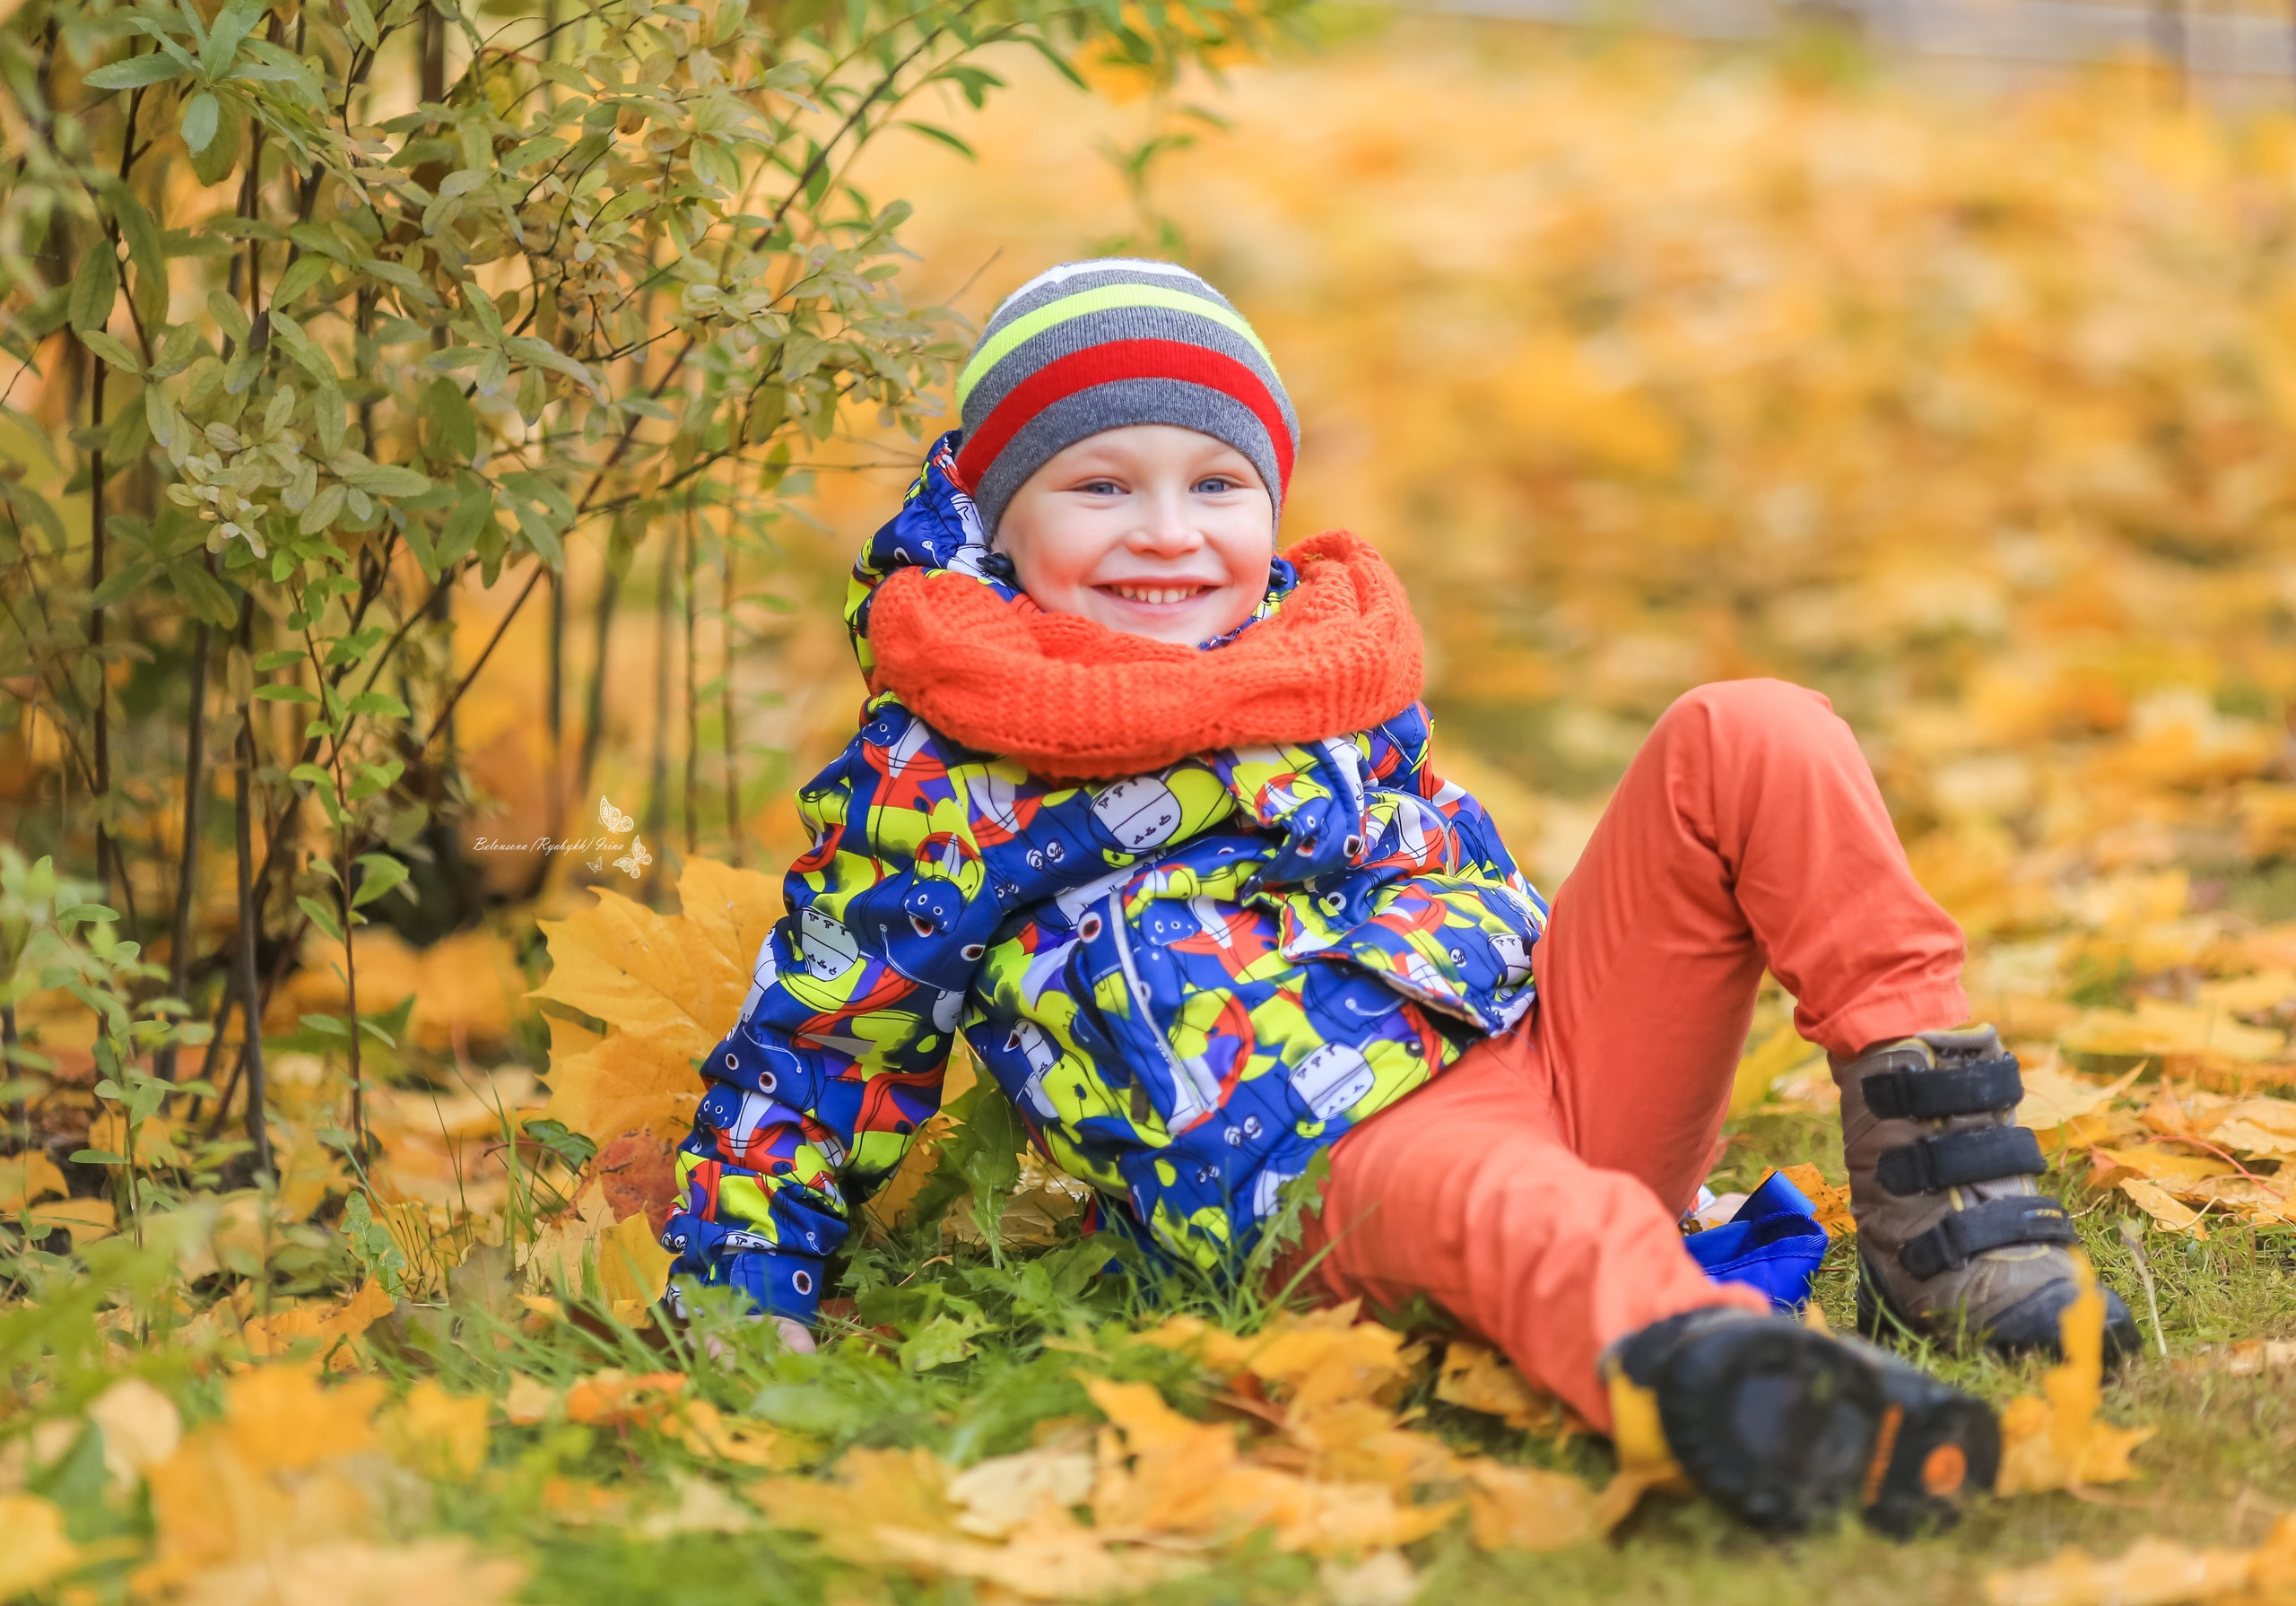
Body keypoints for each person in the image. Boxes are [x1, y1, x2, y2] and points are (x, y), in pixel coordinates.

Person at [657, 257, 2129, 1534]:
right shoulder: (938, 782)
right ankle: (1744, 1389)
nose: (1169, 533)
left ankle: (1952, 1215)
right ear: (996, 520)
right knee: (1515, 1200)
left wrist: (1591, 1008)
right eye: (1101, 485)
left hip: (1543, 1052)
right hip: (1317, 1166)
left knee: (1750, 729)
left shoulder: (1316, 668)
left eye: (1216, 484)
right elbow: (822, 1051)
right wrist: (742, 1279)